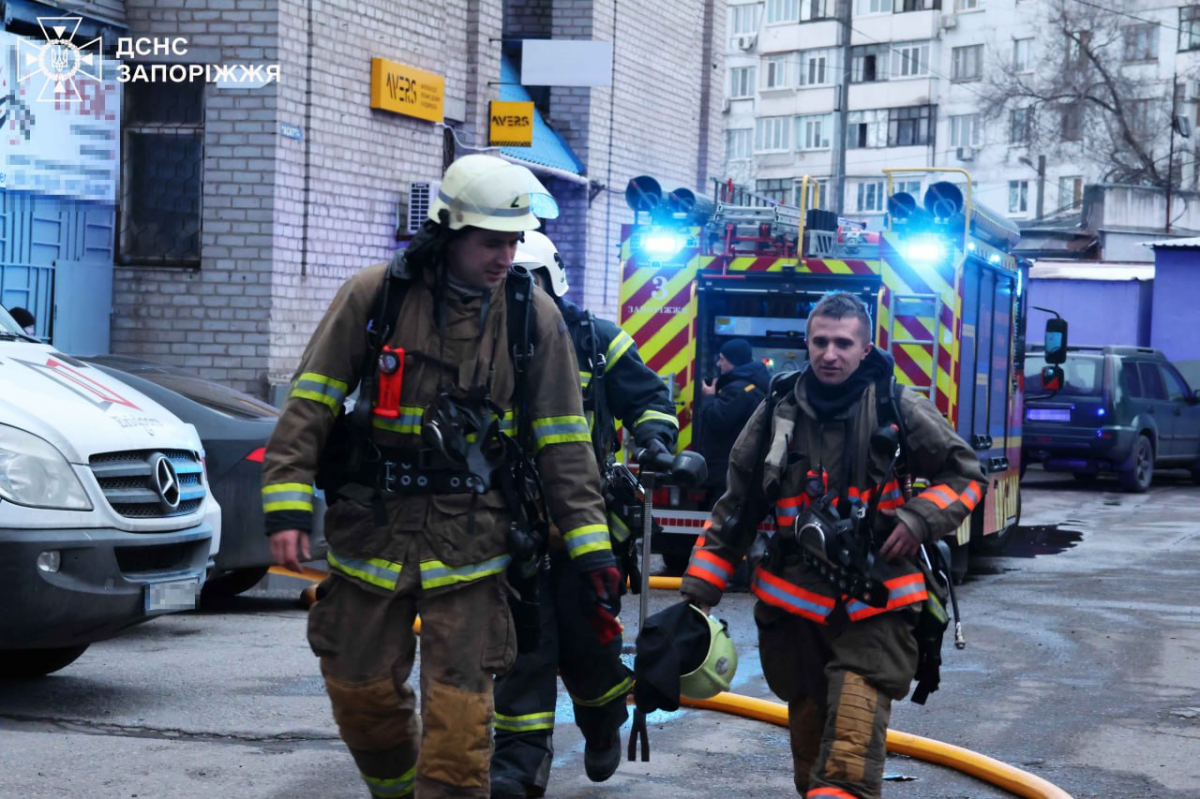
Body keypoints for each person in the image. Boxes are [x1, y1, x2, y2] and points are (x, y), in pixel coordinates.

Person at [261, 154, 621, 799]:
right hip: (372, 532)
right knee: (360, 692)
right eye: (491, 242)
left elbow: (564, 442)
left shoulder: (531, 316)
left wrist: (590, 545)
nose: (505, 257)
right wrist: (285, 506)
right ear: (449, 232)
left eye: (514, 242)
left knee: (461, 726)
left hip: (475, 545)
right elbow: (311, 401)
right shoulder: (374, 296)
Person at [680, 291, 986, 799]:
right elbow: (736, 507)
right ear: (807, 342)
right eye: (820, 341)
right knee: (811, 754)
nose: (830, 354)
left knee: (846, 761)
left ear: (864, 349)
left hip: (877, 603)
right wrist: (696, 596)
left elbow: (967, 477)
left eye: (843, 343)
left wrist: (917, 518)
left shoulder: (898, 407)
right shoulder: (778, 409)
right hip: (794, 613)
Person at [489, 230, 679, 799]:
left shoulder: (597, 341)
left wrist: (653, 440)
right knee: (523, 647)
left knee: (589, 642)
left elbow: (649, 399)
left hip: (585, 528)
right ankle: (519, 765)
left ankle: (601, 721)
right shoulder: (476, 343)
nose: (521, 297)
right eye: (509, 283)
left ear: (553, 283)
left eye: (531, 283)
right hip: (506, 527)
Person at [696, 338, 769, 502]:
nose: (718, 364)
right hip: (732, 469)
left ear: (734, 361)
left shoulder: (741, 389)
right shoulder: (749, 385)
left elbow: (718, 419)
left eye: (722, 359)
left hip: (727, 470)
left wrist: (708, 397)